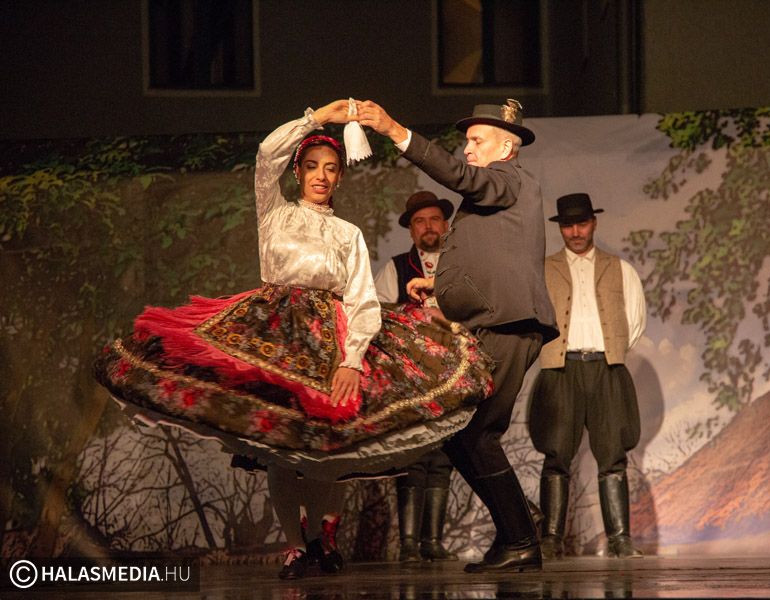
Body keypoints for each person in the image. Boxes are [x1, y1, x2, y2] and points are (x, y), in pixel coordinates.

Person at [94, 101, 493, 580]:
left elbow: (362, 299)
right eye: (312, 167)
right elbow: (266, 154)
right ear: (298, 172)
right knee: (280, 441)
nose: (321, 176)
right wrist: (316, 119)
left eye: (331, 168)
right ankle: (295, 546)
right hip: (276, 332)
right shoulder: (275, 212)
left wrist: (352, 359)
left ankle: (324, 537)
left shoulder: (347, 234)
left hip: (331, 338)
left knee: (333, 439)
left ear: (339, 178)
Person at [357, 98, 558, 573]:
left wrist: (394, 130)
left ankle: (521, 539)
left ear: (505, 147)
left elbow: (461, 177)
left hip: (508, 324)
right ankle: (514, 536)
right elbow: (492, 255)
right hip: (496, 321)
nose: (467, 149)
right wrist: (439, 283)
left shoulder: (508, 177)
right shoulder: (501, 191)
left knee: (477, 432)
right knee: (459, 434)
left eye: (476, 141)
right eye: (466, 141)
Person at [528, 193, 646, 560]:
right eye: (568, 225)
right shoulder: (542, 269)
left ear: (593, 223)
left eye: (582, 223)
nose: (576, 232)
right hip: (560, 368)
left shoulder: (620, 268)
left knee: (612, 454)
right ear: (560, 228)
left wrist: (610, 349)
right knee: (556, 454)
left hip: (605, 367)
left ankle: (620, 538)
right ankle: (551, 538)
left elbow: (635, 321)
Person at [373, 190, 458, 562]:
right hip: (409, 375)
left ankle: (432, 542)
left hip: (454, 374)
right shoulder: (395, 268)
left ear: (446, 225)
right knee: (412, 454)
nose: (428, 227)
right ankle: (409, 543)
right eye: (420, 221)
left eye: (434, 219)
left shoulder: (460, 267)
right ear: (411, 230)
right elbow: (378, 316)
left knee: (443, 457)